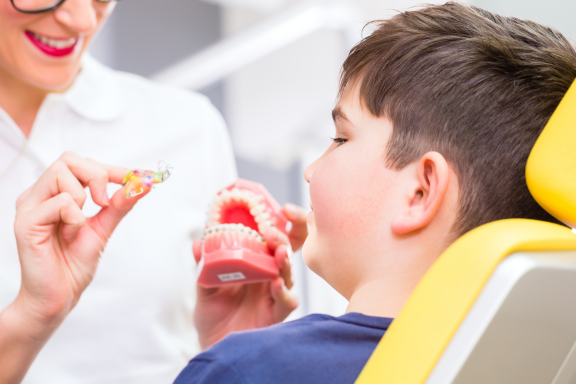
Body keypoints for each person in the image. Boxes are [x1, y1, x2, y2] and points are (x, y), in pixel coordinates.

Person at [4, 2, 576, 384]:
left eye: (338, 137)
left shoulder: (249, 366)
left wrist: (231, 359)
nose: (78, 14)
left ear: (421, 189)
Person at [0, 0, 306, 383]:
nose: (81, 19)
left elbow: (215, 349)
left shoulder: (189, 126)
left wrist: (236, 351)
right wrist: (30, 316)